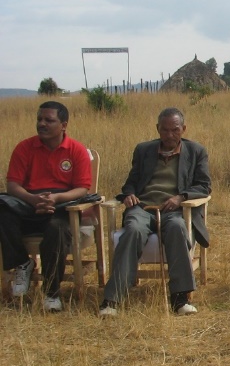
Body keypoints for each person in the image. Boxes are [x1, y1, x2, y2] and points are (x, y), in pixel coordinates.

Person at [99, 108, 211, 316]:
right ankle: (111, 300)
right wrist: (130, 195)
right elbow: (131, 183)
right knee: (132, 230)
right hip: (143, 207)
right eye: (165, 130)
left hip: (175, 210)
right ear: (157, 129)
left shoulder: (196, 151)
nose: (169, 135)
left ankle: (180, 299)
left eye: (175, 130)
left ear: (183, 129)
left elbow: (204, 186)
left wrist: (180, 197)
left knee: (178, 229)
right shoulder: (143, 150)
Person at [0, 101, 92, 311]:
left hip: (60, 205)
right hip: (27, 203)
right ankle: (23, 263)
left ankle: (52, 293)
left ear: (63, 125)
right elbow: (13, 185)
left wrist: (57, 199)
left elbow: (82, 188)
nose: (42, 124)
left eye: (48, 120)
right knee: (3, 211)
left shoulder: (76, 150)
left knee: (56, 229)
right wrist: (33, 200)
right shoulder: (25, 147)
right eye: (39, 119)